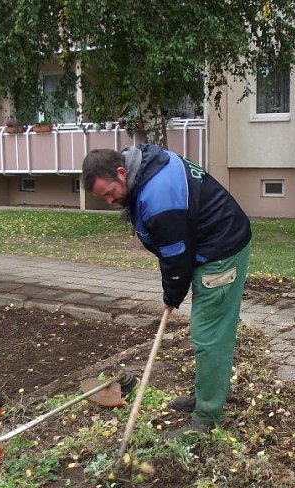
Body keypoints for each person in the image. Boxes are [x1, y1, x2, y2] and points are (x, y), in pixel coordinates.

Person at [82, 144, 252, 436]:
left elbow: (175, 257)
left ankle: (206, 418)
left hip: (221, 250)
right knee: (204, 332)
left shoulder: (159, 197)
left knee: (209, 336)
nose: (110, 201)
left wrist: (171, 295)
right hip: (206, 244)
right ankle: (203, 397)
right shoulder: (141, 165)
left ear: (121, 172)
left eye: (110, 193)